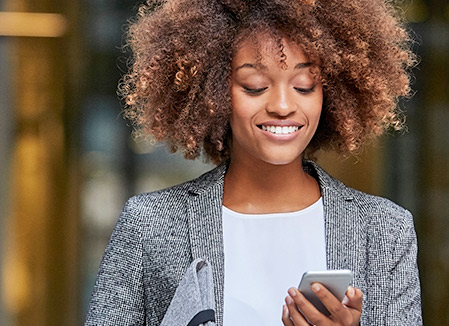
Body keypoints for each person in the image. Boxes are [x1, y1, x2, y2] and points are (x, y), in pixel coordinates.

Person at [85, 0, 422, 325]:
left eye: (304, 86)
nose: (282, 105)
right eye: (255, 86)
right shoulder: (149, 226)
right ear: (213, 90)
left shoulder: (384, 231)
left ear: (331, 93)